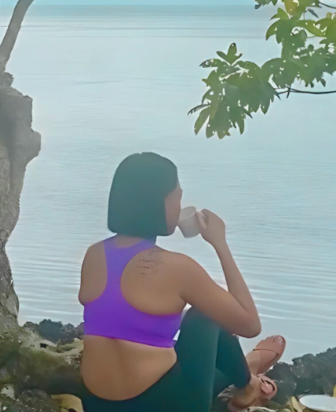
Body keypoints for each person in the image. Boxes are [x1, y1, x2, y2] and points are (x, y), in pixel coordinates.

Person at [79, 152, 286, 412]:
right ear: (158, 204)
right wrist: (220, 243)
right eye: (176, 197)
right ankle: (247, 381)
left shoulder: (94, 255)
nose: (179, 205)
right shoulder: (178, 268)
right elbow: (249, 324)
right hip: (167, 406)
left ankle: (248, 374)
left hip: (98, 405)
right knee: (204, 316)